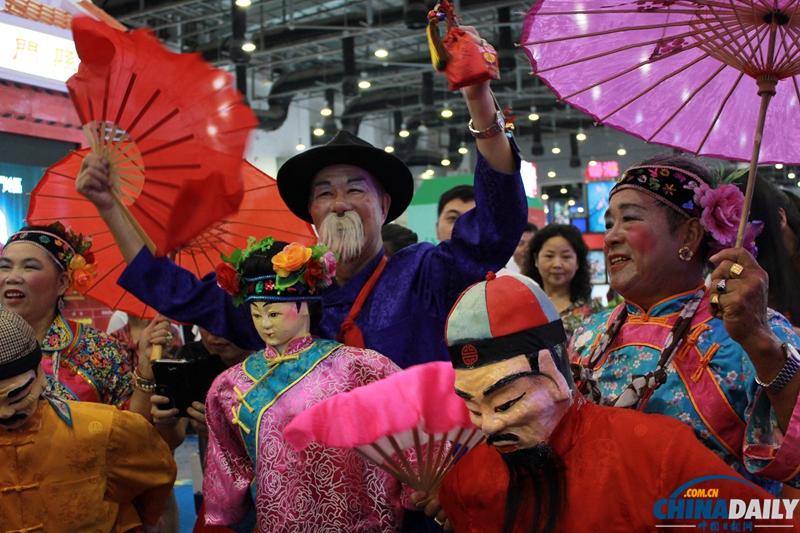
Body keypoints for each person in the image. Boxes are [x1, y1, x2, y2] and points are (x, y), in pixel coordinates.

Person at [74, 29, 526, 371]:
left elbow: (496, 226)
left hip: (417, 482)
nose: (339, 203)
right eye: (324, 193)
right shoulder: (281, 291)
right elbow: (178, 293)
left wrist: (477, 97)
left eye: (355, 189)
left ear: (385, 206)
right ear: (310, 213)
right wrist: (110, 207)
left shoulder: (425, 274)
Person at [436, 272, 797, 532]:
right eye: (473, 409)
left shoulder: (658, 453)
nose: (490, 426)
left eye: (507, 403)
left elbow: (765, 521)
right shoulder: (466, 483)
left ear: (561, 370)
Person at [570, 154, 800, 493]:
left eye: (629, 219)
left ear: (690, 235)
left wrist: (760, 342)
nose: (610, 238)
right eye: (608, 224)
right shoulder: (587, 336)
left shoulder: (754, 328)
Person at [201, 237, 412, 532]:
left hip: (360, 518)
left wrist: (420, 487)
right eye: (256, 313)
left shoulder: (361, 367)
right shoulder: (229, 385)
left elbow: (411, 427)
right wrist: (228, 507)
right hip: (279, 519)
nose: (265, 324)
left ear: (305, 306)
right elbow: (229, 467)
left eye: (274, 313)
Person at [0, 306, 177, 532]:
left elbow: (158, 472)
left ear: (40, 375)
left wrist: (147, 519)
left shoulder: (103, 427)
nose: (4, 413)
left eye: (16, 395)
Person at [0, 222, 152, 413]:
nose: (12, 277)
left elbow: (131, 430)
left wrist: (146, 371)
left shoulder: (100, 350)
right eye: (4, 267)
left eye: (29, 267)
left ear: (62, 283)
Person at [522, 223, 603, 339]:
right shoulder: (522, 307)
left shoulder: (593, 311)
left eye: (566, 257)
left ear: (578, 262)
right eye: (549, 256)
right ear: (536, 259)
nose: (557, 264)